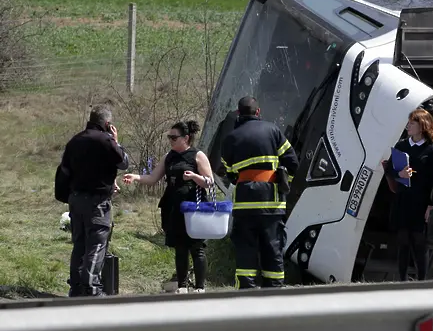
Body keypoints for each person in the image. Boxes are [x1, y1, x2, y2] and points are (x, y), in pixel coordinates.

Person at [123, 121, 213, 294]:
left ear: (186, 138)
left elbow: (209, 182)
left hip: (194, 207)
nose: (170, 140)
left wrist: (194, 176)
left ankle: (200, 288)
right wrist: (135, 177)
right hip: (173, 207)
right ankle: (182, 286)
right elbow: (152, 178)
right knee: (180, 248)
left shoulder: (197, 155)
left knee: (196, 247)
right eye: (169, 137)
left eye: (174, 137)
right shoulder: (169, 156)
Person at [220, 96, 299, 289]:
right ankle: (274, 290)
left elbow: (230, 174)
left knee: (245, 250)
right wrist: (283, 183)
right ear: (258, 112)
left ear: (239, 113)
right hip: (271, 204)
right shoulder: (272, 130)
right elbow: (293, 163)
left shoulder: (230, 138)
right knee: (273, 248)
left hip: (244, 205)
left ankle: (246, 292)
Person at [59, 105, 129, 297]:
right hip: (97, 201)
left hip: (76, 198)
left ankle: (75, 287)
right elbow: (124, 162)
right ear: (107, 124)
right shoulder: (106, 141)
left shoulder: (75, 140)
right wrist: (116, 141)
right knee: (97, 244)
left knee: (79, 243)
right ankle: (91, 287)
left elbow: (65, 169)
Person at [381, 108, 433, 281]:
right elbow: (390, 168)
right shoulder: (402, 145)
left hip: (421, 202)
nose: (408, 126)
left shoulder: (432, 150)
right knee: (403, 241)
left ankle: (422, 280)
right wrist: (400, 175)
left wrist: (431, 204)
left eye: (412, 123)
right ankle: (402, 279)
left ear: (422, 126)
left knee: (420, 243)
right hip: (403, 199)